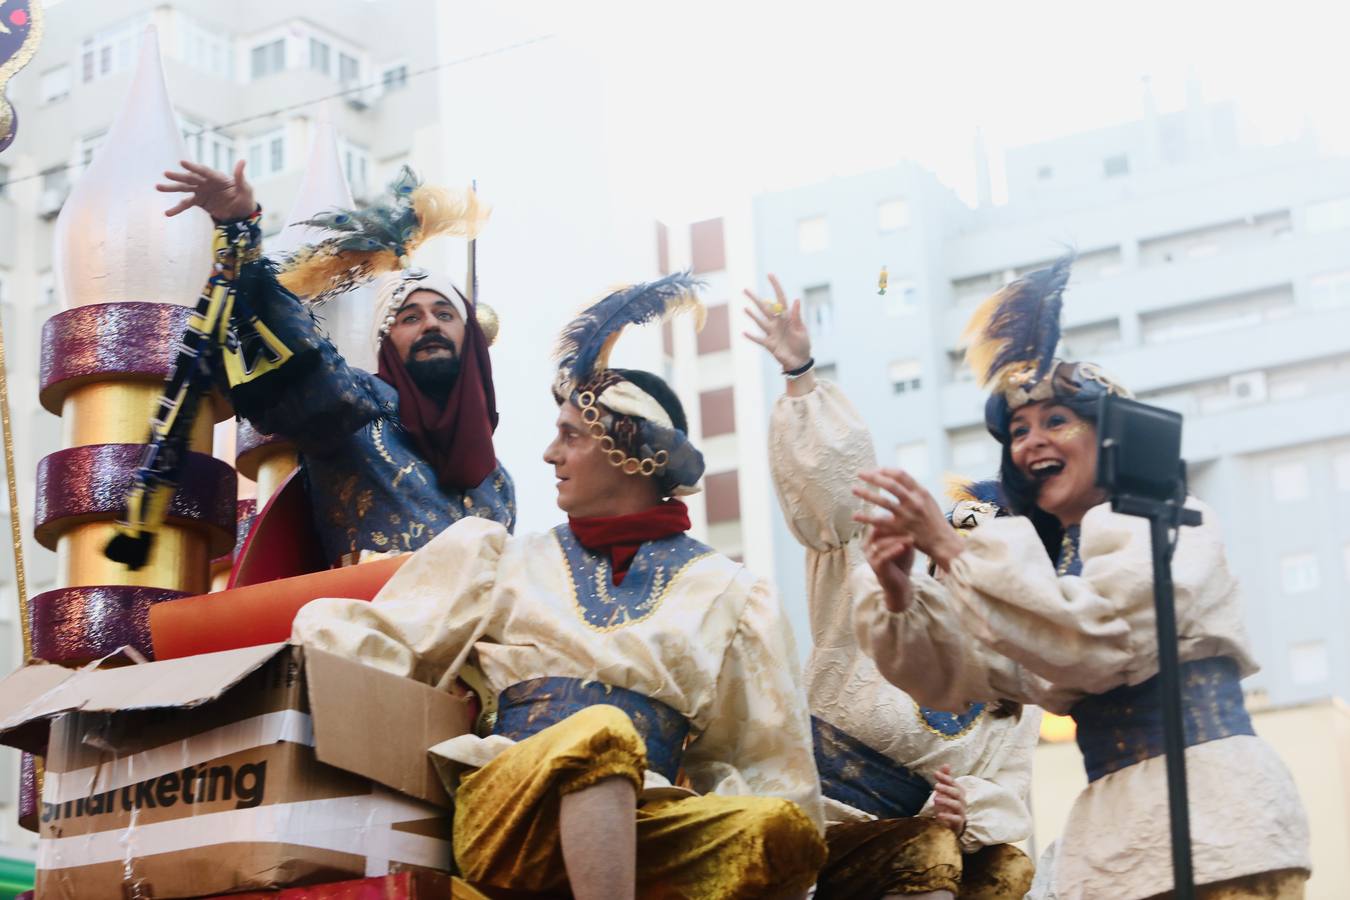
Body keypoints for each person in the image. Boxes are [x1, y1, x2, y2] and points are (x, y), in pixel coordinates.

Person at [291, 273, 826, 900]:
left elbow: (768, 760)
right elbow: (383, 639)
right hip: (513, 811)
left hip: (649, 818)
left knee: (781, 829)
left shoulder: (730, 593)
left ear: (632, 453)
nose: (549, 454)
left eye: (570, 435)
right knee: (597, 733)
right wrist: (303, 644)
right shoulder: (496, 557)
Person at [850, 255, 1310, 899]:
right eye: (1019, 430)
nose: (1031, 442)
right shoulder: (1054, 567)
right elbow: (976, 670)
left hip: (1212, 819)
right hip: (1118, 831)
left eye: (1056, 421)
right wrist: (902, 595)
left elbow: (1101, 637)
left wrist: (953, 553)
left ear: (1110, 436)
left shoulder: (1168, 518)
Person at [745, 274, 1039, 900]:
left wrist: (971, 806)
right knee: (927, 849)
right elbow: (838, 492)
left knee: (1005, 870)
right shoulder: (873, 579)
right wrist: (801, 370)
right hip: (814, 822)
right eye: (959, 533)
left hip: (918, 852)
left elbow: (1013, 799)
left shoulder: (1013, 683)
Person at [114, 160, 514, 570]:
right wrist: (241, 234)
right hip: (368, 625)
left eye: (444, 314)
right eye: (410, 317)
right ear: (387, 342)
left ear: (471, 344)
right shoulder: (362, 408)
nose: (430, 323)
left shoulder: (499, 483)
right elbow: (294, 353)